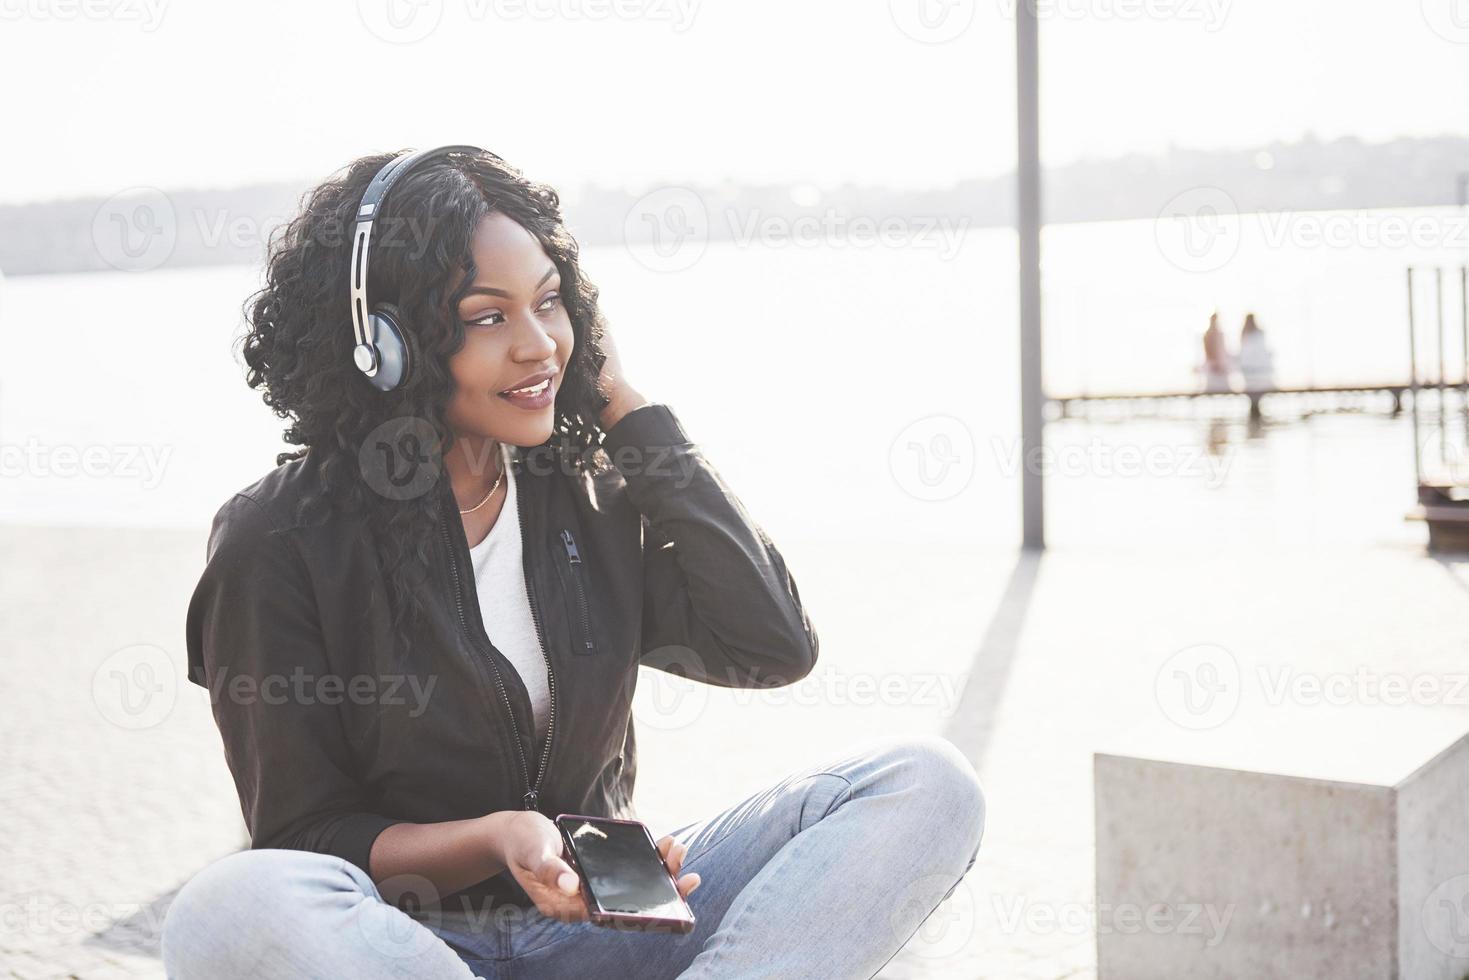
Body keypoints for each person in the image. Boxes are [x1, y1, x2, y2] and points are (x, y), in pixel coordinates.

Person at [161, 146, 986, 979]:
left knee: (924, 783)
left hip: (605, 925)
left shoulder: (583, 494)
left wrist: (631, 417)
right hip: (411, 948)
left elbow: (768, 645)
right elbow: (304, 838)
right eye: (487, 316)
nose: (538, 347)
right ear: (383, 343)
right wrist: (494, 839)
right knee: (232, 901)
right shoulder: (279, 539)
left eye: (549, 303)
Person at [1237, 312, 1275, 392]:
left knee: (1253, 392)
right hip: (1258, 369)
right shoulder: (1257, 332)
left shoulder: (1245, 333)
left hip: (1250, 368)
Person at [1200, 311, 1232, 393]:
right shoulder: (1208, 334)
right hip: (1213, 368)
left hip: (1219, 367)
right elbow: (1208, 352)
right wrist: (1215, 364)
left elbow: (1223, 351)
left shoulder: (1219, 334)